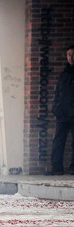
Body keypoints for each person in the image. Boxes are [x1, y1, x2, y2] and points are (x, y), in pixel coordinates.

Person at [46, 45, 74, 175]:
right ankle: (56, 168)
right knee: (58, 142)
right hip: (63, 114)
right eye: (69, 55)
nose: (71, 57)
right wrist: (56, 108)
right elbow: (58, 93)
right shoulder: (65, 73)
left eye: (73, 54)